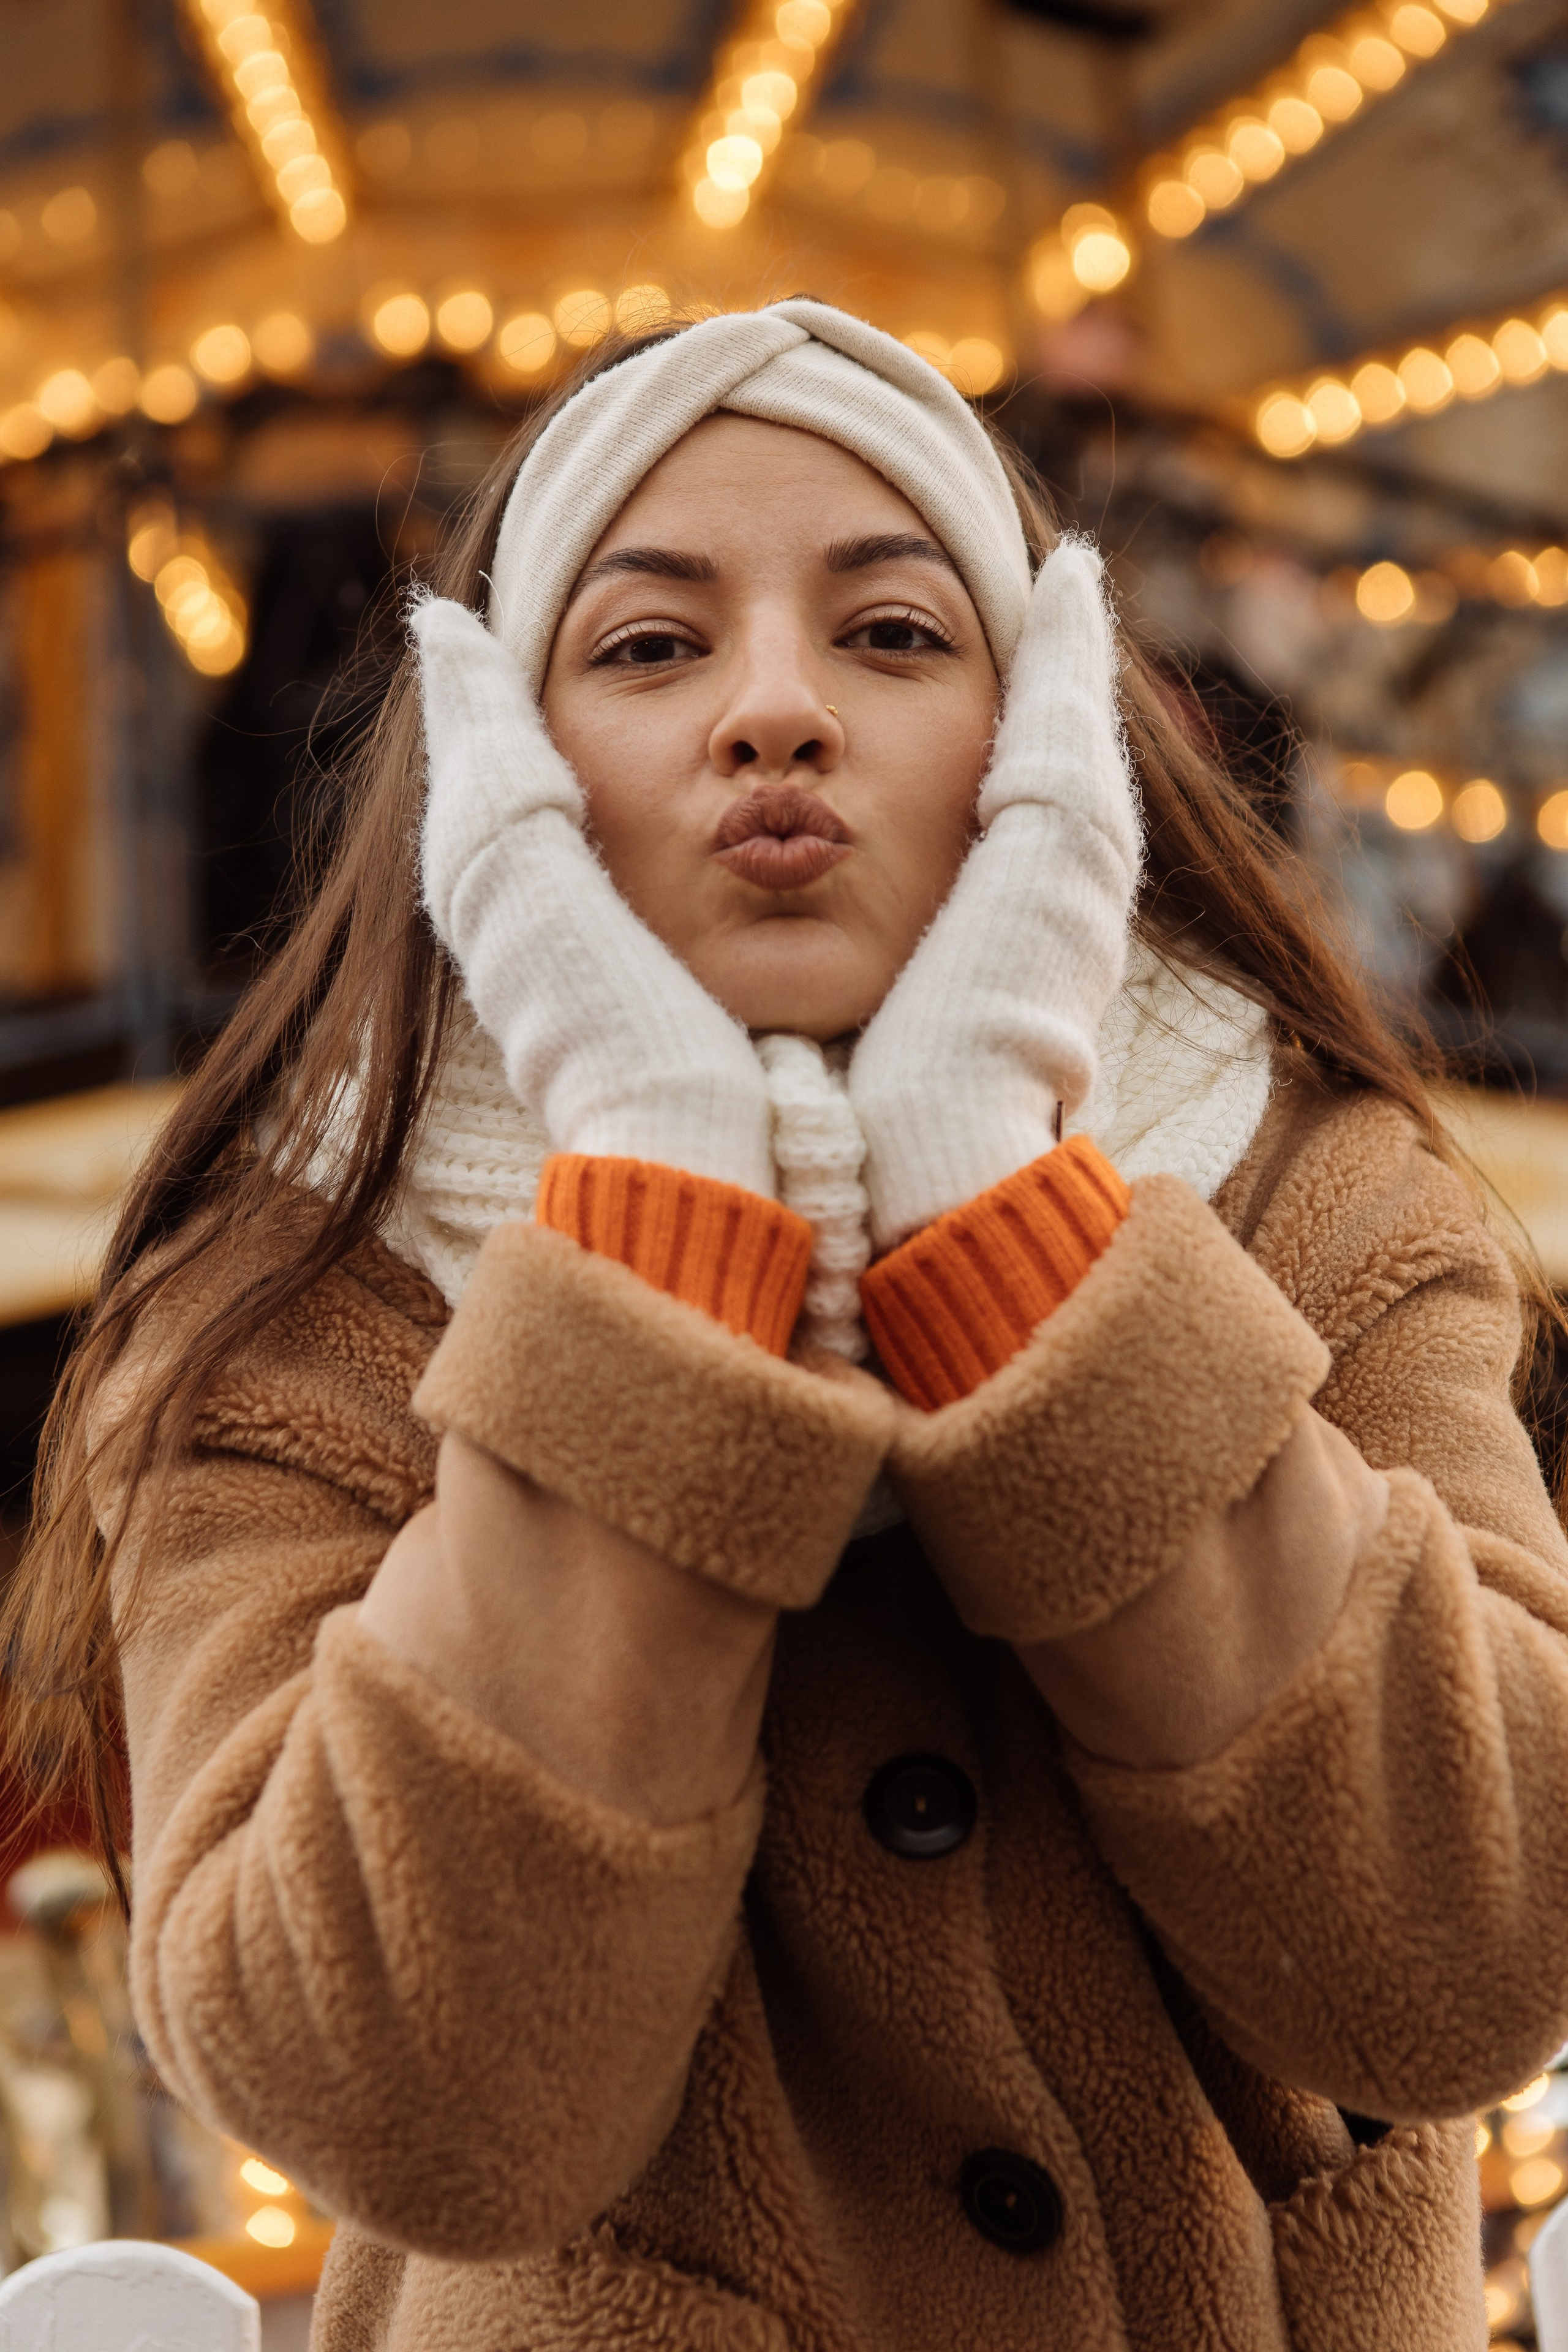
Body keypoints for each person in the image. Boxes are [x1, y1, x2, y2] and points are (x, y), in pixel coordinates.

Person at [10, 298, 1568, 2351]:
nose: (775, 713)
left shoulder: (1329, 1199)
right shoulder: (284, 1317)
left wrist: (1004, 1212)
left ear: (1044, 746)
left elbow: (1468, 1962)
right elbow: (410, 2099)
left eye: (897, 635)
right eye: (651, 646)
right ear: (502, 777)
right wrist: (659, 1204)